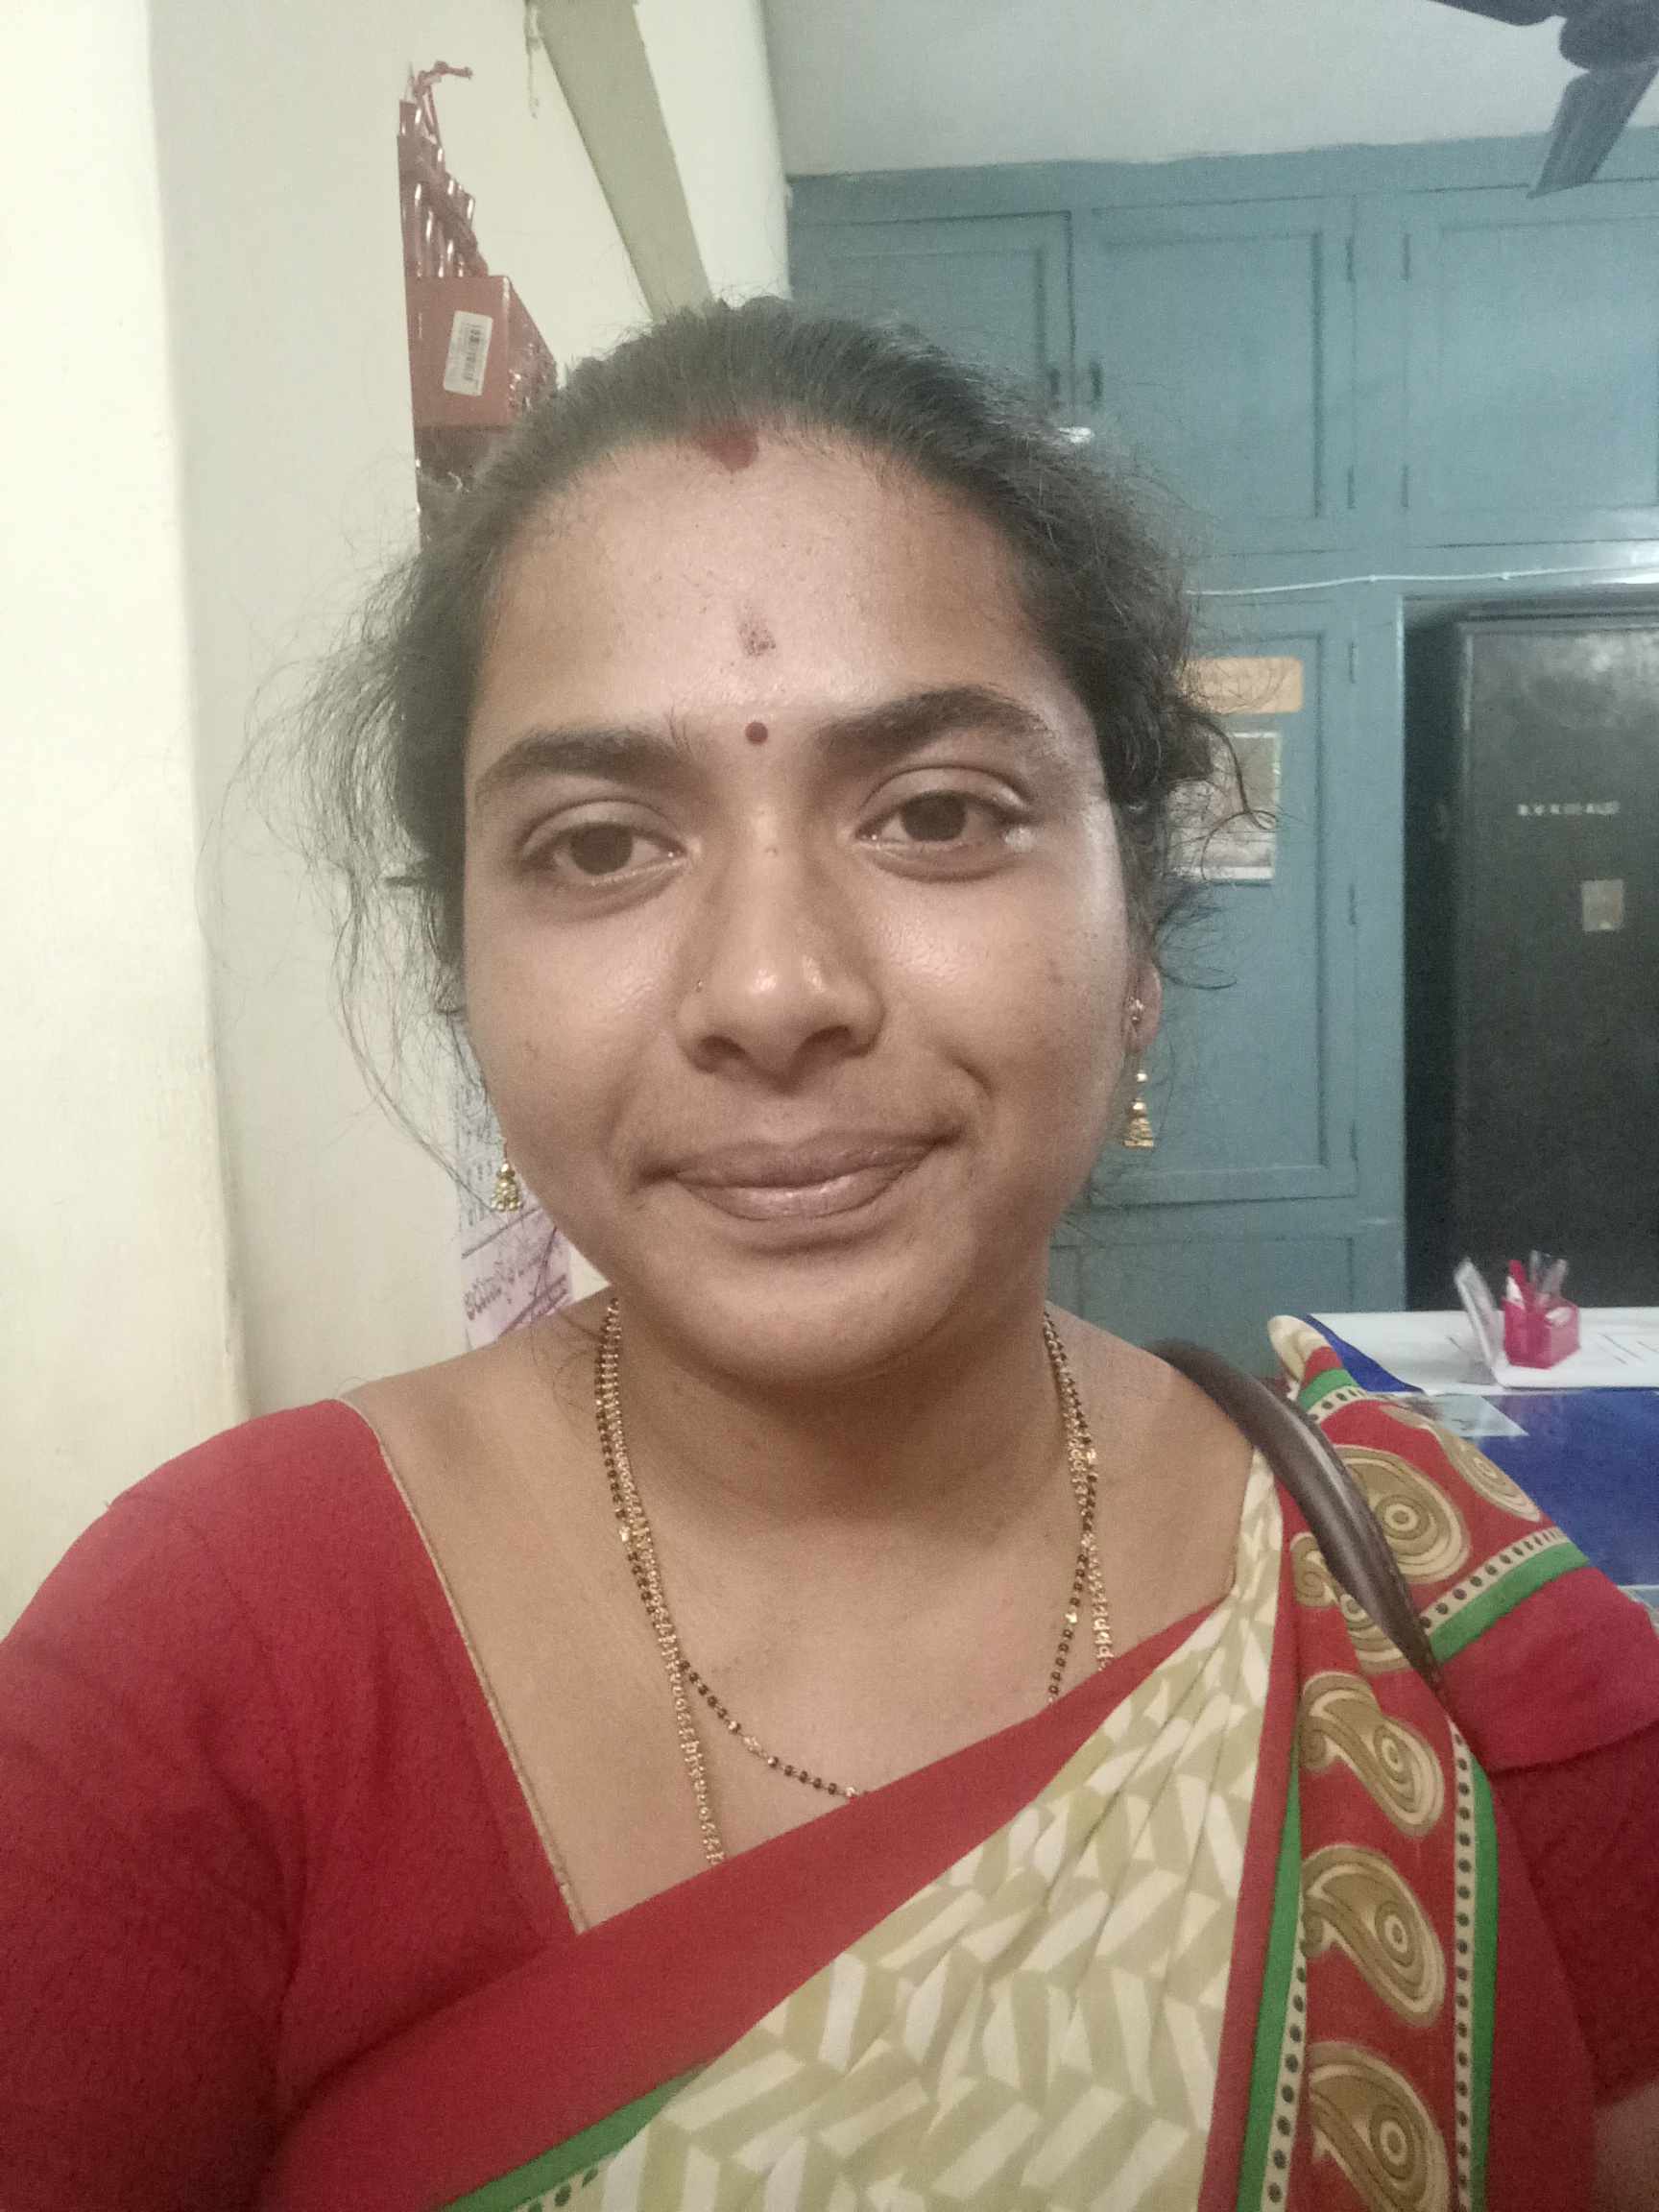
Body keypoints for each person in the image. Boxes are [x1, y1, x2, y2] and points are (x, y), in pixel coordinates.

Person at [2, 300, 1657, 2212]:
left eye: (938, 814)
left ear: (1137, 936)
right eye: (600, 846)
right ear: (468, 973)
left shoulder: (1447, 1641)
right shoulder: (202, 1669)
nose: (774, 990)